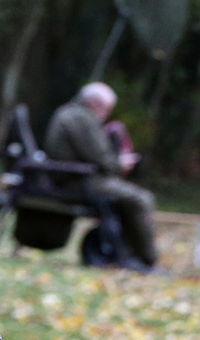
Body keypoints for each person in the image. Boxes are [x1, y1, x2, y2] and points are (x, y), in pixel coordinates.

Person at [43, 82, 159, 269]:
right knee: (142, 199)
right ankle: (146, 259)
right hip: (78, 181)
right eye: (107, 109)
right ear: (95, 103)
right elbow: (101, 158)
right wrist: (120, 163)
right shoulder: (81, 118)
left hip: (75, 178)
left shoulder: (70, 114)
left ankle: (128, 254)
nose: (106, 115)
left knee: (130, 199)